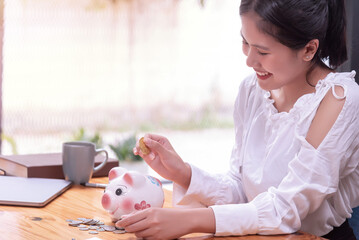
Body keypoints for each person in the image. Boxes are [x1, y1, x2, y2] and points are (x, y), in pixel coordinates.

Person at [116, 0, 359, 239]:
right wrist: (183, 173)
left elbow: (285, 209)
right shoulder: (253, 90)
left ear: (309, 49)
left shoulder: (339, 100)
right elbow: (243, 192)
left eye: (263, 51)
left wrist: (192, 220)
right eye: (245, 42)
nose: (250, 61)